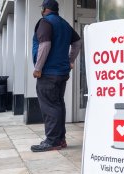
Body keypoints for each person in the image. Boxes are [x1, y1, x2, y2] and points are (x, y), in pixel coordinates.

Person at [31, 0, 82, 152]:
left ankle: (52, 141)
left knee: (49, 107)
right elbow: (78, 42)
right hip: (62, 72)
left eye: (43, 9)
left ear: (45, 9)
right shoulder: (65, 24)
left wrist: (38, 68)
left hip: (48, 73)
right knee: (58, 105)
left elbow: (44, 45)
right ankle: (60, 139)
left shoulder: (45, 22)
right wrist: (70, 61)